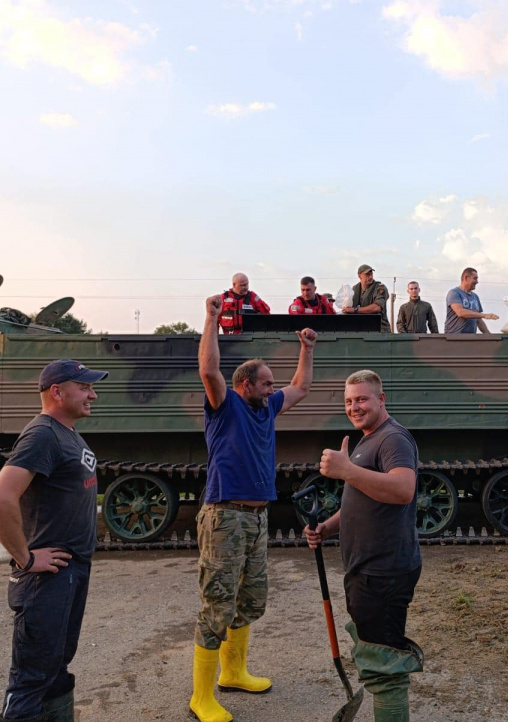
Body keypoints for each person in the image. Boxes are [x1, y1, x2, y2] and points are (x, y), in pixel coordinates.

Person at [190, 293, 317, 722]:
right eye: (266, 382)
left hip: (257, 518)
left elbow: (301, 386)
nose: (273, 387)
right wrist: (210, 318)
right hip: (225, 516)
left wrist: (307, 348)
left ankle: (234, 672)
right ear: (245, 385)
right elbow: (209, 369)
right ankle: (201, 698)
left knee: (250, 599)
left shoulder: (267, 409)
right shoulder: (225, 408)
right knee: (217, 604)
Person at [0, 359, 108, 722]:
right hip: (45, 581)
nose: (93, 394)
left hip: (70, 572)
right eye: (84, 387)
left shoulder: (65, 432)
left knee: (56, 672)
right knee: (31, 680)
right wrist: (25, 559)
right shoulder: (42, 434)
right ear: (57, 392)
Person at [303, 369, 423, 722]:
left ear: (381, 399)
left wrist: (345, 471)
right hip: (366, 568)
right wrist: (328, 527)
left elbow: (402, 491)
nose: (354, 407)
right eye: (349, 401)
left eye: (362, 399)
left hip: (383, 571)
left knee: (385, 663)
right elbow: (363, 494)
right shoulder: (368, 439)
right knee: (376, 650)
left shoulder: (393, 439)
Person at [445, 267, 498, 334]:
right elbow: (460, 312)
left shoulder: (475, 297)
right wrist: (484, 315)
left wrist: (489, 336)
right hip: (454, 337)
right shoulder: (454, 293)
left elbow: (478, 319)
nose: (477, 282)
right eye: (475, 278)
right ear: (466, 278)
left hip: (470, 337)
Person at [343, 264, 390, 332]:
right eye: (367, 274)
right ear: (359, 276)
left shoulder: (379, 287)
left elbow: (377, 307)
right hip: (362, 328)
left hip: (380, 328)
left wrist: (355, 310)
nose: (370, 277)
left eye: (371, 274)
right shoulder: (355, 289)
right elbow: (348, 306)